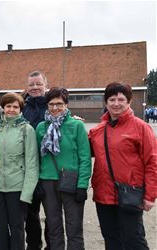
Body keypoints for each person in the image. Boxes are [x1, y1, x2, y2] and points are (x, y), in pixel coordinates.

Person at [89, 82, 157, 250]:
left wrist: (150, 195)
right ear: (106, 102)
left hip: (129, 194)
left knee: (134, 240)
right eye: (112, 99)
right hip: (103, 195)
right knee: (111, 239)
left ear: (129, 102)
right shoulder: (97, 130)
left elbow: (152, 162)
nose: (116, 103)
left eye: (121, 99)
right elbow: (82, 151)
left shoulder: (141, 128)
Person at [36, 87, 91, 250]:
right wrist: (38, 180)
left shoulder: (76, 126)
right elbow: (37, 158)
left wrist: (82, 185)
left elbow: (85, 158)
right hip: (47, 181)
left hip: (71, 181)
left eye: (59, 103)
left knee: (74, 228)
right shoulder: (41, 127)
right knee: (53, 227)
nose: (55, 107)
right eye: (51, 104)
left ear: (66, 105)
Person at [0, 93, 39, 250]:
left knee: (17, 229)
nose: (11, 110)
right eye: (8, 106)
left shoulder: (27, 130)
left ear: (20, 109)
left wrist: (27, 193)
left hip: (17, 188)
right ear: (3, 108)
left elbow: (32, 163)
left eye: (15, 107)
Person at [22, 71, 50, 250]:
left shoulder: (53, 105)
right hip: (28, 169)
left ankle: (52, 246)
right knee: (30, 214)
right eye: (31, 84)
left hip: (49, 169)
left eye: (38, 84)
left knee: (52, 214)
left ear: (46, 85)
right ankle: (34, 246)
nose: (34, 87)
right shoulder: (21, 107)